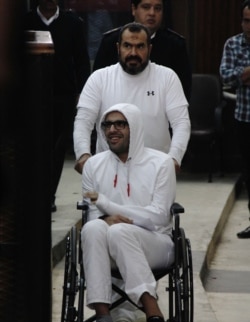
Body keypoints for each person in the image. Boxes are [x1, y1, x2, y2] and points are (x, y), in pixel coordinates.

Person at [80, 102, 176, 322]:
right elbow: (92, 217)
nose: (112, 129)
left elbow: (157, 218)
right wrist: (104, 218)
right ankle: (103, 318)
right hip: (109, 245)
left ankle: (154, 315)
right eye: (107, 124)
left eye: (120, 124)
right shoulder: (93, 165)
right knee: (92, 228)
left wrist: (109, 206)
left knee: (121, 231)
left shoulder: (161, 164)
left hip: (156, 243)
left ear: (135, 127)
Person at [74, 22, 190, 176]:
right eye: (127, 46)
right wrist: (83, 154)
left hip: (156, 171)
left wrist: (175, 157)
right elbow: (83, 121)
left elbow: (181, 122)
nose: (133, 52)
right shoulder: (99, 78)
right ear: (118, 48)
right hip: (108, 171)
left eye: (140, 46)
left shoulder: (167, 77)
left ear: (150, 49)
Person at [24, 0, 91, 212]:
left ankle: (48, 195)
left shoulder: (73, 23)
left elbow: (81, 60)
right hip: (30, 96)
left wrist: (83, 92)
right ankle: (31, 192)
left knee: (56, 147)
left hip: (62, 95)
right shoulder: (26, 21)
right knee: (32, 145)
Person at [93, 0, 192, 101]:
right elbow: (97, 85)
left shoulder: (175, 44)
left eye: (157, 8)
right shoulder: (111, 41)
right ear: (134, 9)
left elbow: (183, 92)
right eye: (146, 7)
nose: (152, 13)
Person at [220, 0, 250, 239]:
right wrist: (245, 74)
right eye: (246, 20)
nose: (249, 25)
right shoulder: (233, 44)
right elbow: (226, 76)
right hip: (245, 118)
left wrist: (241, 75)